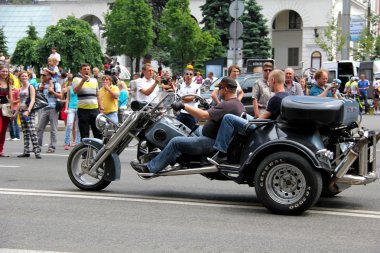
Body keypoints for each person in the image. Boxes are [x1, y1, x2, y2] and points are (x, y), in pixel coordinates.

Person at [130, 77, 246, 174]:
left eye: (219, 88)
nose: (218, 91)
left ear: (225, 89)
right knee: (181, 128)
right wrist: (208, 107)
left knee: (176, 142)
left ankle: (150, 168)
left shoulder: (228, 105)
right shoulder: (237, 104)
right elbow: (215, 114)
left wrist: (183, 106)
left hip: (211, 143)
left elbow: (204, 116)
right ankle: (167, 158)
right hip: (208, 135)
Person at [211, 69, 289, 162]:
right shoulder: (286, 95)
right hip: (269, 126)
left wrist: (251, 120)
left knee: (228, 118)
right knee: (243, 115)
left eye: (269, 80)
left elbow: (259, 121)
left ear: (273, 80)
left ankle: (221, 153)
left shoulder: (276, 99)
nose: (268, 83)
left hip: (262, 129)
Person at [15, 71, 41, 159]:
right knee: (25, 132)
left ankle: (37, 151)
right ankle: (26, 151)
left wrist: (28, 111)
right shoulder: (21, 88)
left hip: (29, 112)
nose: (24, 78)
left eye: (25, 76)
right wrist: (15, 113)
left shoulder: (31, 87)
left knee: (32, 131)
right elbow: (20, 101)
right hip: (21, 112)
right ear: (20, 77)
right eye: (22, 76)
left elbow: (33, 100)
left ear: (28, 77)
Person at [73, 63, 102, 141]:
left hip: (94, 109)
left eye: (88, 69)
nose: (86, 70)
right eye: (84, 69)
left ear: (90, 71)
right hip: (83, 110)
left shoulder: (94, 80)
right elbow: (75, 91)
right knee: (84, 132)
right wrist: (83, 81)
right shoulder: (76, 79)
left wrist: (100, 106)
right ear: (81, 71)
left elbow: (97, 94)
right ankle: (85, 152)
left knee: (98, 132)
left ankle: (99, 151)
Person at [36, 69, 61, 153]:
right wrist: (39, 89)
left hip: (53, 108)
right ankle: (38, 146)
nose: (42, 76)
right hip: (43, 109)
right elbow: (35, 95)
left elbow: (60, 96)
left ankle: (52, 147)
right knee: (40, 128)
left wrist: (52, 91)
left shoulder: (55, 84)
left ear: (49, 76)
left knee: (53, 129)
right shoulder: (40, 85)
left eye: (44, 75)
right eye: (42, 75)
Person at [63, 74, 81, 150]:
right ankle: (67, 143)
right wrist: (66, 108)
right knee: (69, 125)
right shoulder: (70, 88)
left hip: (79, 107)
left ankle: (77, 142)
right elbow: (67, 99)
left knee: (78, 127)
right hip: (71, 108)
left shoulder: (81, 88)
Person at [0, 65, 13, 157]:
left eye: (6, 71)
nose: (5, 73)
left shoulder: (9, 82)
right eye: (3, 71)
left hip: (5, 107)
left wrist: (11, 110)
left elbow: (11, 97)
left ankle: (1, 150)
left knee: (4, 130)